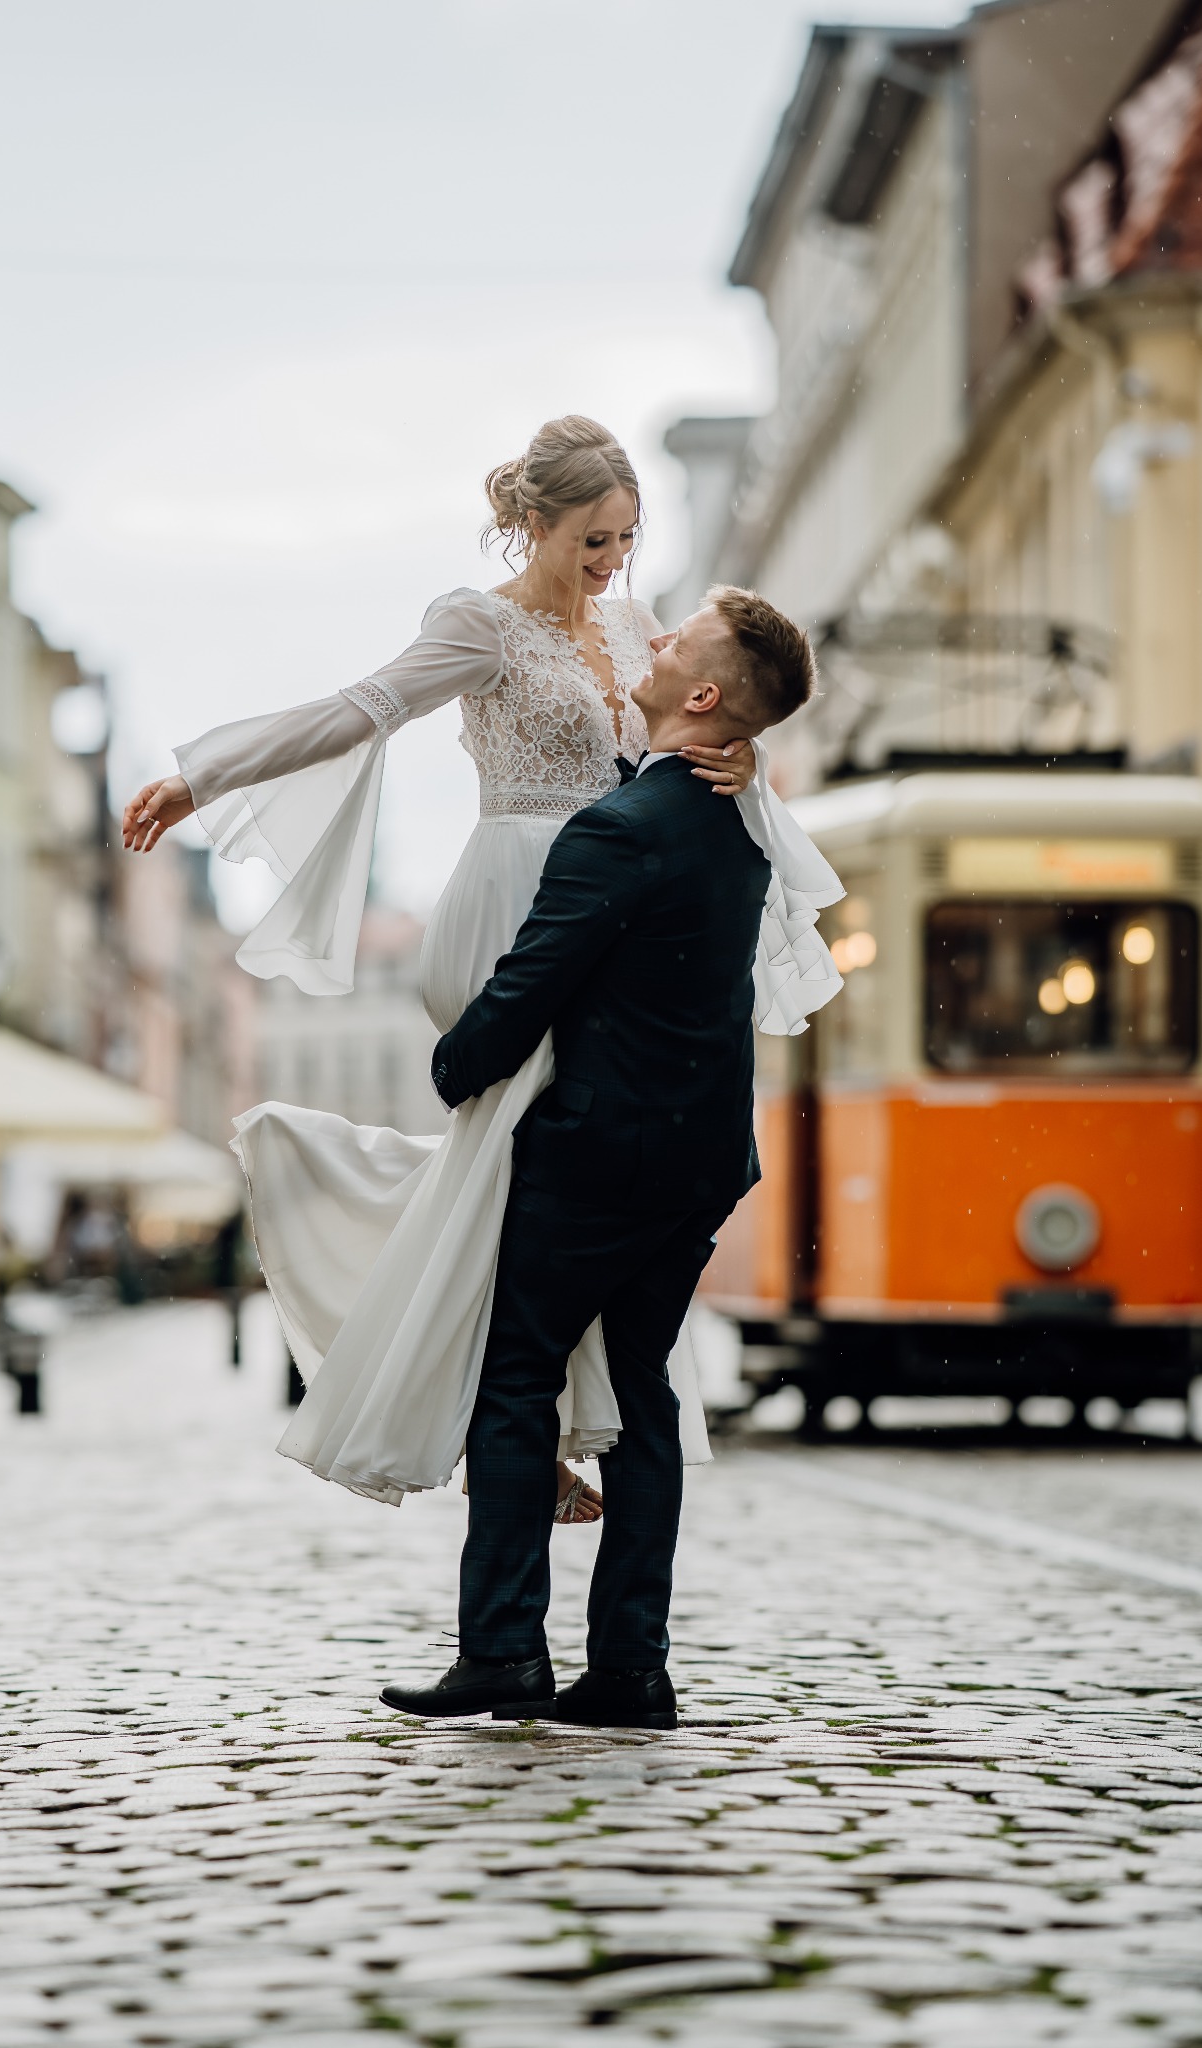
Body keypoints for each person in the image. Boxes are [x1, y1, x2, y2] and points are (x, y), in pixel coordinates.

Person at [122, 416, 842, 1519]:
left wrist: (735, 752)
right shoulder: (480, 629)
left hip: (612, 914)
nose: (610, 563)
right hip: (511, 910)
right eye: (591, 540)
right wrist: (201, 778)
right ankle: (510, 1415)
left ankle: (512, 1411)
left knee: (530, 1187)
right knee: (528, 1171)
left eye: (626, 539)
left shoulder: (639, 626)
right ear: (531, 524)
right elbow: (356, 708)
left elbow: (686, 736)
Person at [379, 588, 812, 1731]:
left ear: (706, 696)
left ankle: (504, 1649)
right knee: (646, 1392)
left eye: (676, 643)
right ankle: (629, 1666)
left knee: (513, 1376)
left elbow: (533, 979)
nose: (650, 639)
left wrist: (450, 1068)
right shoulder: (731, 825)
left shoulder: (620, 828)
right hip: (701, 1157)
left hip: (599, 1153)